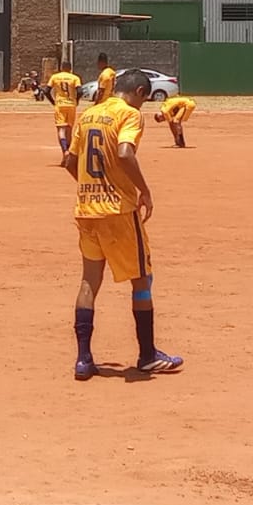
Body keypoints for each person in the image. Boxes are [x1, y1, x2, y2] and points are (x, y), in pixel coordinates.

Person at [64, 69, 183, 381]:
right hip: (119, 211)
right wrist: (144, 191)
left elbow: (69, 161)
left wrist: (90, 185)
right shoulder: (129, 114)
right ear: (142, 94)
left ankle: (83, 359)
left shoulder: (89, 114)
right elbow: (125, 152)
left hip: (86, 209)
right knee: (141, 279)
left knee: (89, 281)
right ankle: (147, 355)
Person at [45, 60, 83, 157]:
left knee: (61, 130)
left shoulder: (55, 77)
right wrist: (77, 100)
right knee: (69, 130)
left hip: (60, 105)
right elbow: (80, 91)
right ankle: (69, 155)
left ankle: (65, 151)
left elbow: (46, 91)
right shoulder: (75, 78)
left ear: (61, 68)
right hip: (71, 105)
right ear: (70, 69)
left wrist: (53, 101)